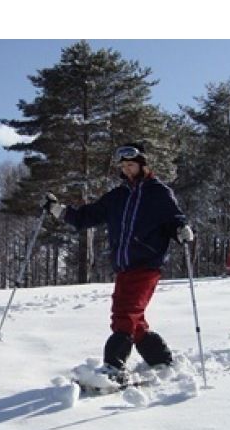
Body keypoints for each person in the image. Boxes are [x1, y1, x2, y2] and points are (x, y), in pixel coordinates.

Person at [43, 144, 193, 384]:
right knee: (134, 320)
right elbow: (86, 216)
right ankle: (160, 358)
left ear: (143, 165)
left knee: (124, 315)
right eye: (123, 167)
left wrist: (180, 230)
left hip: (146, 265)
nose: (127, 170)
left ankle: (114, 368)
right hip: (124, 267)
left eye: (131, 165)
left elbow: (173, 219)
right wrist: (57, 210)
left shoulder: (158, 193)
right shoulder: (117, 196)